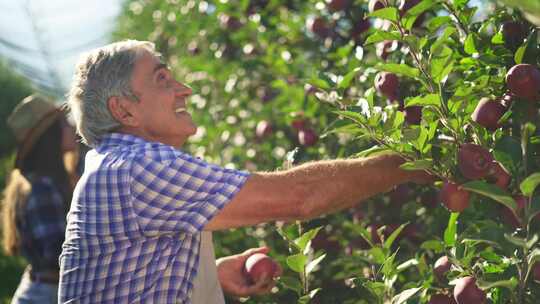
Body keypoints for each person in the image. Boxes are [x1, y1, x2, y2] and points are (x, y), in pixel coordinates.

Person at [59, 40, 430, 304]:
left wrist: (209, 275)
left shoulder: (115, 164)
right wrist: (408, 162)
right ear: (125, 111)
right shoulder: (139, 167)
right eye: (162, 80)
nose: (184, 90)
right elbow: (298, 198)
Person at [3, 95, 79, 304]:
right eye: (64, 123)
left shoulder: (47, 182)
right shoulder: (42, 188)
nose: (72, 128)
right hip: (47, 295)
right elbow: (59, 251)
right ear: (50, 135)